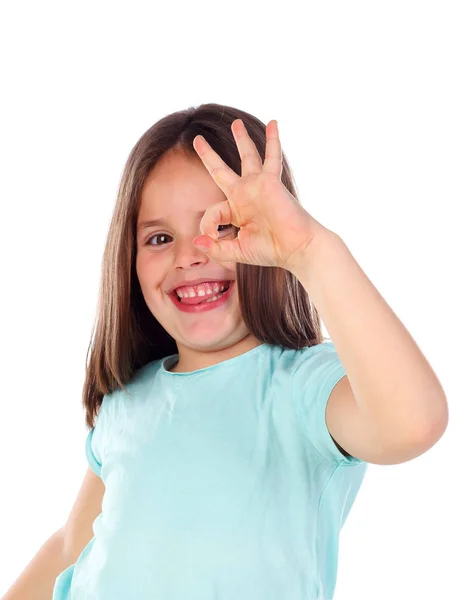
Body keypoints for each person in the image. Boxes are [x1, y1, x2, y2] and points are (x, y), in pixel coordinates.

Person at [3, 102, 447, 600]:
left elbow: (414, 423)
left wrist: (309, 250)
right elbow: (69, 549)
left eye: (222, 227)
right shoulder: (127, 401)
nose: (189, 255)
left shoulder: (305, 389)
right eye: (159, 237)